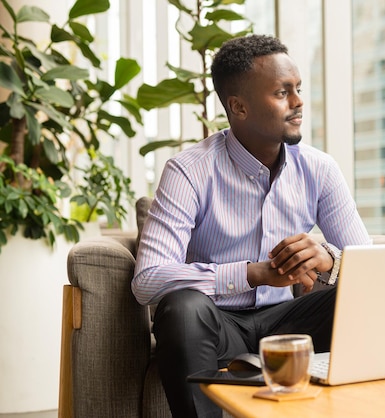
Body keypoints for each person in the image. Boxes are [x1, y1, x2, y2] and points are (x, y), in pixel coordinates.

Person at [132, 34, 371, 418]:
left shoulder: (320, 169)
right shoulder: (189, 171)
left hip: (291, 323)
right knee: (182, 309)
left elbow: (372, 268)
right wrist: (252, 274)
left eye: (298, 89)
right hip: (216, 324)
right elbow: (148, 280)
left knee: (364, 298)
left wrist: (329, 260)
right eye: (281, 93)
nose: (298, 103)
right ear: (238, 107)